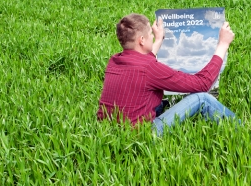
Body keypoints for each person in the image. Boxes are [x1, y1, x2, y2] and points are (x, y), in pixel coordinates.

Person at [97, 13, 237, 135]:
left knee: (162, 103)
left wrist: (158, 40)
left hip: (110, 131)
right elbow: (202, 84)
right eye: (150, 35)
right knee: (202, 99)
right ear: (141, 40)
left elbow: (142, 62)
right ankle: (241, 128)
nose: (152, 37)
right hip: (142, 135)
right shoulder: (149, 68)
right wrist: (223, 44)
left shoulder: (114, 60)